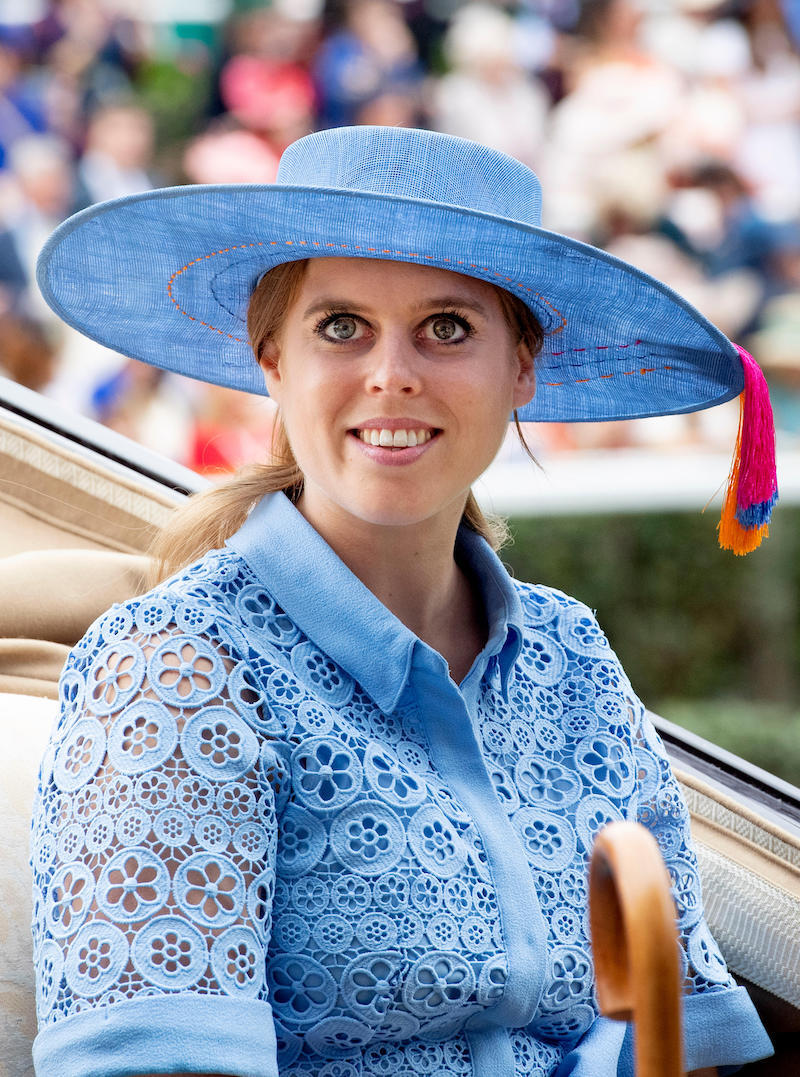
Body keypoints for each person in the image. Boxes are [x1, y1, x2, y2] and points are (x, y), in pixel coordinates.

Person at [30, 125, 777, 1077]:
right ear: (271, 360)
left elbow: (681, 1039)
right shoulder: (178, 671)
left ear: (522, 367)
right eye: (340, 327)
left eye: (449, 327)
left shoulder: (571, 654)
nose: (393, 373)